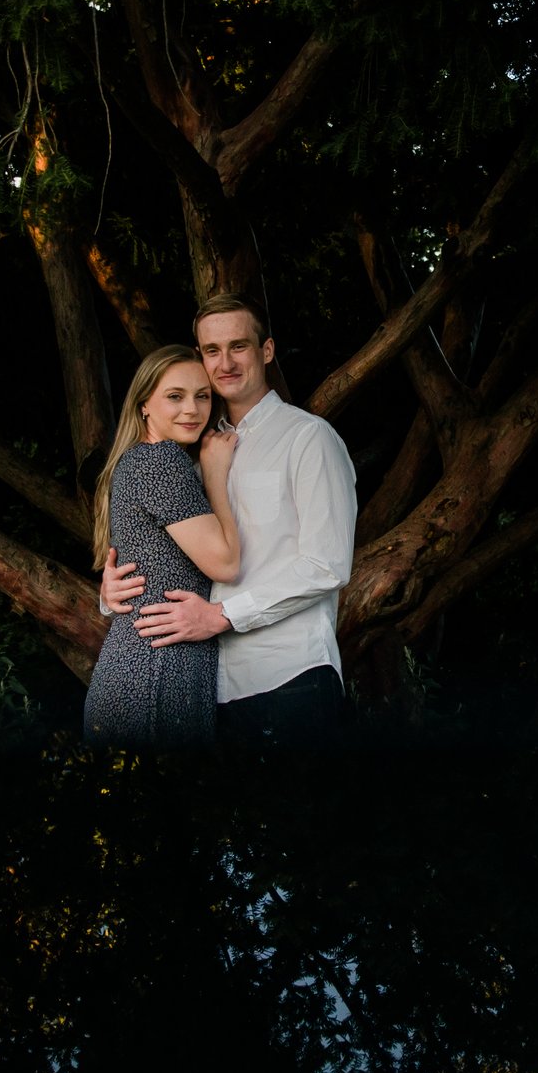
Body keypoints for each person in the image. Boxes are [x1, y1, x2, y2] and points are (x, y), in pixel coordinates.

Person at [99, 294, 359, 746]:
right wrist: (112, 593)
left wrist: (222, 616)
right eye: (212, 350)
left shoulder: (307, 438)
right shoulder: (196, 451)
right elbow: (166, 553)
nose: (226, 362)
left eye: (238, 346)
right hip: (207, 689)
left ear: (267, 350)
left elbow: (327, 564)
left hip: (287, 674)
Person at [81, 345, 244, 749]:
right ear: (144, 406)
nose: (192, 409)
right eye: (175, 396)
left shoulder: (136, 462)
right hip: (156, 672)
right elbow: (224, 564)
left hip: (142, 666)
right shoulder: (160, 462)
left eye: (202, 396)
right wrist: (217, 475)